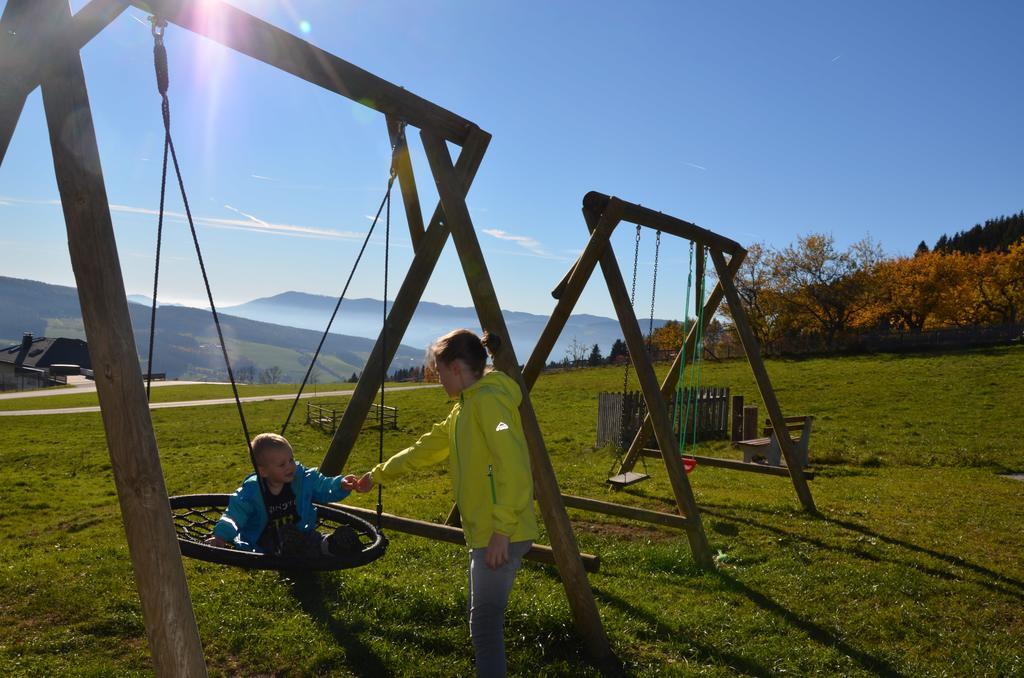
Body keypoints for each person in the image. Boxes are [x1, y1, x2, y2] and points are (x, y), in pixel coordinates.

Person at [356, 329, 538, 678]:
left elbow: (513, 466)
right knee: (483, 620)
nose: (437, 379)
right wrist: (375, 475)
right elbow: (424, 450)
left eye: (439, 371)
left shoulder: (490, 404)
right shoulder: (464, 409)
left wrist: (501, 529)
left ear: (456, 367)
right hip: (489, 531)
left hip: (501, 533)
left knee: (484, 624)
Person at [206, 432, 364, 556]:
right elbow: (234, 515)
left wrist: (340, 484)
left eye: (291, 460)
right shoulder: (253, 492)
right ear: (263, 471)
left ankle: (333, 544)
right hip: (266, 541)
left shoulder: (302, 479)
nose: (290, 466)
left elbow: (323, 486)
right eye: (282, 464)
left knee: (312, 539)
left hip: (302, 532)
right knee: (288, 537)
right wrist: (221, 537)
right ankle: (294, 550)